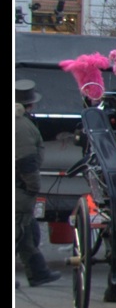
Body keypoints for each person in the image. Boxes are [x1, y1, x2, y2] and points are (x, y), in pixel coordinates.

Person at [16, 80, 62, 287]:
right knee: (19, 231)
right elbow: (26, 161)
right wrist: (33, 186)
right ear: (31, 104)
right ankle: (38, 272)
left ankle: (38, 271)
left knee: (26, 233)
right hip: (20, 188)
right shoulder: (22, 125)